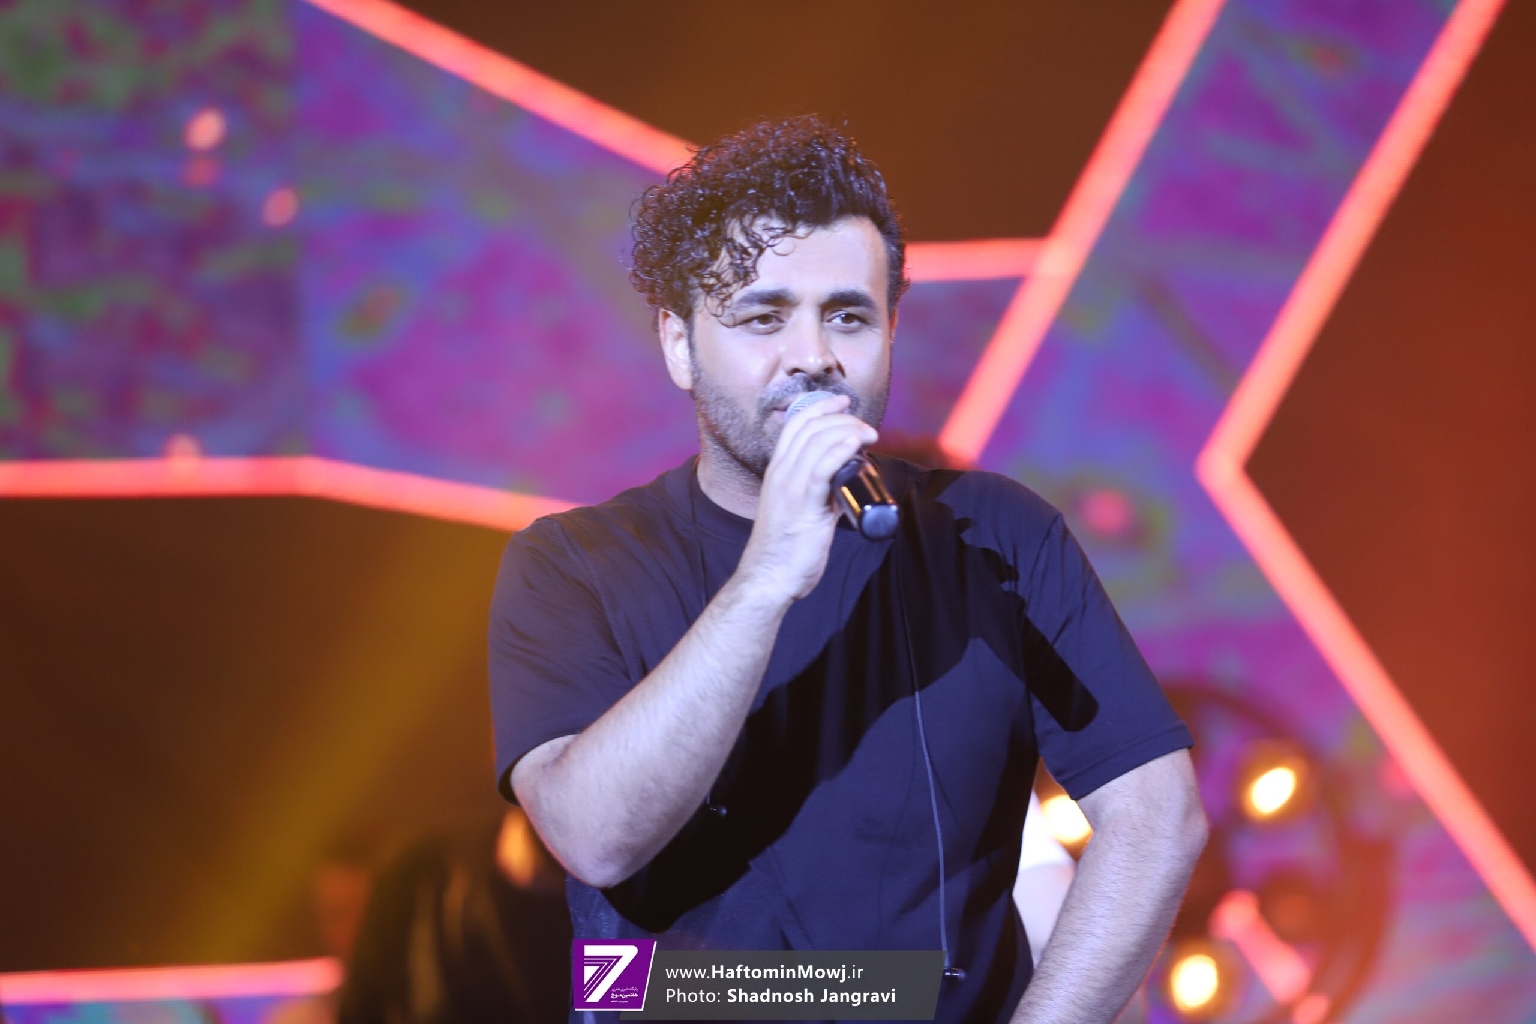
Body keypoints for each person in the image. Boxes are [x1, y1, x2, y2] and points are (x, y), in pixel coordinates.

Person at [488, 116, 1207, 1023]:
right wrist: (765, 578)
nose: (813, 356)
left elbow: (1157, 816)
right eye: (763, 317)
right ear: (679, 344)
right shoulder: (572, 563)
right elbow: (594, 838)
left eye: (849, 316)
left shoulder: (995, 536)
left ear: (892, 329)